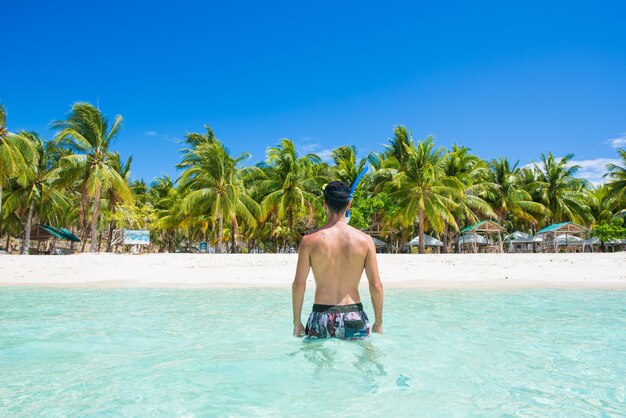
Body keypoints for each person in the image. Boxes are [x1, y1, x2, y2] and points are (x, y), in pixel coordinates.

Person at [292, 180, 384, 339]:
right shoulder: (365, 241)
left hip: (321, 316)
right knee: (362, 362)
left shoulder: (309, 241)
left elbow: (299, 284)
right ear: (348, 204)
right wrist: (378, 323)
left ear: (325, 204)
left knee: (319, 363)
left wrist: (297, 322)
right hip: (354, 316)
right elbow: (375, 285)